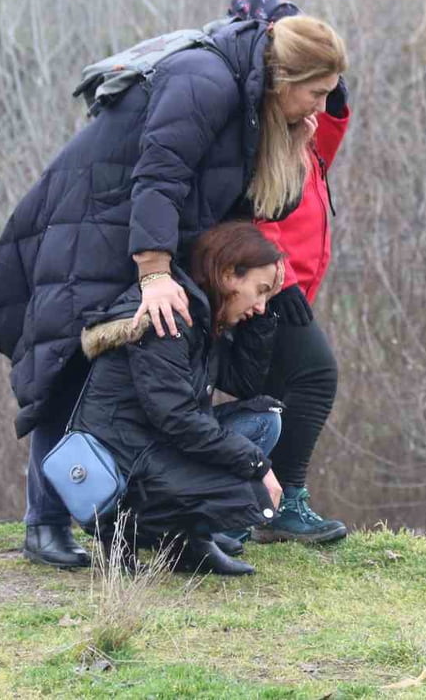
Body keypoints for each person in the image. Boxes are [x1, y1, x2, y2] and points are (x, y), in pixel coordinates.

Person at [0, 13, 348, 568]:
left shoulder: (252, 105)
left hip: (139, 234)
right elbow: (158, 176)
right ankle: (45, 525)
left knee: (168, 377)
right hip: (91, 229)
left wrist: (291, 145)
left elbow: (256, 207)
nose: (320, 106)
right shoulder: (206, 81)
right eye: (316, 93)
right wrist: (155, 272)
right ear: (285, 76)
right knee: (71, 370)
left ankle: (174, 535)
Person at [72, 221, 287, 575]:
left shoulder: (202, 314)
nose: (261, 305)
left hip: (155, 444)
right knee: (246, 486)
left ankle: (189, 542)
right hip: (125, 466)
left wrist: (263, 319)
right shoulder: (168, 318)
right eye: (260, 291)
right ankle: (127, 530)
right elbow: (177, 419)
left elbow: (245, 383)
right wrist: (256, 465)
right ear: (230, 275)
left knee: (262, 420)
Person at [222, 0, 351, 544]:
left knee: (271, 392)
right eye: (316, 90)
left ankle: (252, 505)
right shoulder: (258, 121)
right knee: (314, 375)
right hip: (269, 282)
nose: (323, 106)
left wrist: (333, 92)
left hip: (288, 280)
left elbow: (324, 143)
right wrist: (282, 279)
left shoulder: (299, 124)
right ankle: (286, 502)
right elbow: (254, 207)